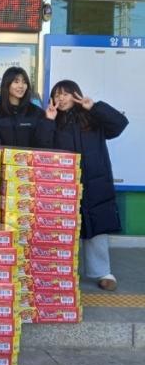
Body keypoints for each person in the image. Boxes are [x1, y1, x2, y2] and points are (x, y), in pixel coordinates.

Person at [42, 80, 129, 291]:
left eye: (65, 94)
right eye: (57, 94)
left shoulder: (92, 117)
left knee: (96, 226)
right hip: (63, 184)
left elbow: (119, 124)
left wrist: (95, 107)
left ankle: (102, 272)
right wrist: (48, 122)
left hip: (94, 180)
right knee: (61, 228)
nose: (61, 98)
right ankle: (59, 272)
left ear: (76, 95)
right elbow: (42, 147)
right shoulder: (52, 120)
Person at [0, 66, 52, 148]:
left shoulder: (36, 112)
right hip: (1, 156)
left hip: (29, 156)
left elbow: (43, 143)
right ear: (6, 84)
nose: (21, 86)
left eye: (24, 82)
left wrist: (48, 121)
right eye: (16, 82)